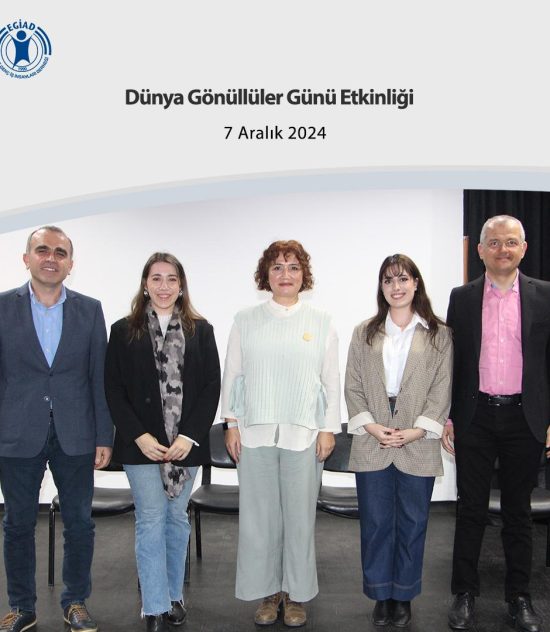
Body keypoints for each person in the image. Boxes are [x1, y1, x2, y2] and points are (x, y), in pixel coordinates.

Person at [221, 240, 340, 628]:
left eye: (292, 267)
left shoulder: (321, 321)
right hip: (253, 434)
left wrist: (328, 429)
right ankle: (269, 593)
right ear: (266, 276)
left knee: (300, 520)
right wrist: (231, 424)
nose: (285, 274)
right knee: (260, 521)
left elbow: (330, 380)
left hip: (303, 435)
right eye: (276, 267)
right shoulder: (245, 320)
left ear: (304, 274)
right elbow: (232, 374)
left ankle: (296, 594)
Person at [0, 226, 113, 632]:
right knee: (17, 524)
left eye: (60, 252)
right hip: (17, 433)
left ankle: (75, 602)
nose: (51, 258)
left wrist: (104, 435)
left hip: (76, 432)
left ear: (70, 263)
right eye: (42, 250)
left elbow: (99, 376)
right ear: (26, 258)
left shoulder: (90, 310)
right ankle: (22, 607)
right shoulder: (2, 307)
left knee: (79, 523)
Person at [443, 215, 550, 632]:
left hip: (526, 417)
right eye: (494, 242)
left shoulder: (545, 294)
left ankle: (519, 597)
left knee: (518, 513)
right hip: (476, 417)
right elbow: (453, 361)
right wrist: (449, 416)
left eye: (510, 242)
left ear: (523, 248)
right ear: (480, 250)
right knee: (470, 509)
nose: (502, 249)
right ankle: (464, 593)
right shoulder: (462, 298)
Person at [104, 253, 220, 632]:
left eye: (171, 279)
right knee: (151, 518)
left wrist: (189, 436)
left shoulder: (201, 331)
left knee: (176, 518)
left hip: (186, 446)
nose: (164, 286)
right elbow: (113, 389)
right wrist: (139, 436)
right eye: (156, 278)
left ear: (181, 285)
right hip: (141, 445)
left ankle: (173, 597)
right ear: (145, 284)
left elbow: (211, 388)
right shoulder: (123, 330)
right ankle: (154, 605)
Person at [345, 254, 452, 628]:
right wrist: (372, 426)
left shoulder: (438, 334)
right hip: (373, 436)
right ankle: (380, 594)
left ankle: (403, 595)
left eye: (403, 278)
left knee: (412, 522)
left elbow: (442, 388)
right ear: (381, 287)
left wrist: (418, 430)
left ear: (416, 283)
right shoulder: (364, 332)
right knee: (375, 523)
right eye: (388, 280)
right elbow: (353, 386)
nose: (396, 286)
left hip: (417, 439)